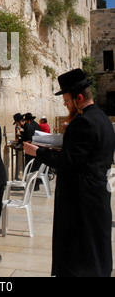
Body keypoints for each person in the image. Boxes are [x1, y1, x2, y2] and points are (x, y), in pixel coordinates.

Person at [24, 69, 115, 277]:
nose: (65, 104)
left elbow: (68, 161)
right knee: (95, 251)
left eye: (66, 100)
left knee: (78, 256)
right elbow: (85, 155)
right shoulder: (101, 118)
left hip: (80, 202)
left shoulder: (83, 121)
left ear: (79, 98)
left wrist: (37, 151)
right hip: (95, 197)